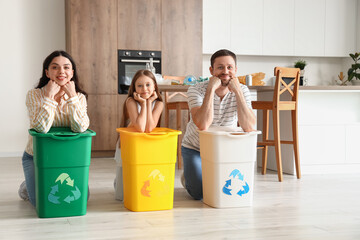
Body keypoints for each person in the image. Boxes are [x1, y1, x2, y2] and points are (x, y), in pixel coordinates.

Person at [181, 49, 256, 200]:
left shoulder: (243, 90)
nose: (225, 71)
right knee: (198, 193)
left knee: (223, 190)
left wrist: (238, 93)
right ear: (211, 70)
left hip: (225, 149)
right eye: (220, 67)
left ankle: (202, 173)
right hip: (195, 147)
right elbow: (203, 124)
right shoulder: (195, 89)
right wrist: (210, 89)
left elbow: (248, 126)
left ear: (235, 70)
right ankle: (189, 175)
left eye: (230, 67)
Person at [18, 50, 90, 206]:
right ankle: (27, 186)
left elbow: (81, 128)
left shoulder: (79, 97)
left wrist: (72, 98)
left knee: (83, 197)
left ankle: (38, 182)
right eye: (55, 67)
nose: (61, 71)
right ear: (47, 72)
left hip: (67, 157)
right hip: (36, 156)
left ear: (72, 72)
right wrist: (49, 97)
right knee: (40, 201)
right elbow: (41, 128)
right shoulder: (34, 95)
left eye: (66, 67)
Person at [114, 69, 164, 200]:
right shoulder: (131, 101)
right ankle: (118, 184)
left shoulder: (159, 103)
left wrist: (148, 103)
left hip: (145, 144)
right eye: (140, 85)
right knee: (121, 195)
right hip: (129, 143)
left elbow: (150, 127)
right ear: (134, 88)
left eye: (148, 85)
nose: (144, 89)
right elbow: (141, 127)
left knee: (142, 171)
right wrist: (144, 103)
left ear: (154, 86)